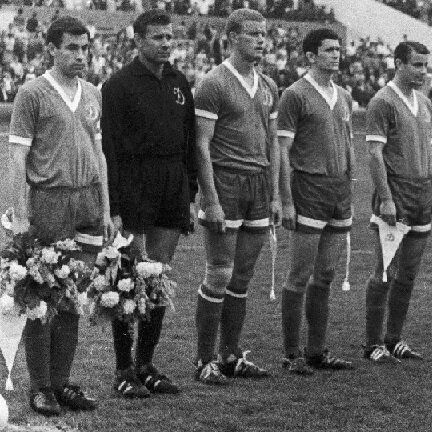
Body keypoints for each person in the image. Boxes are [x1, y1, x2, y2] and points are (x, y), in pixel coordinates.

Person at [9, 16, 114, 416]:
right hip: (49, 201)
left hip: (87, 202)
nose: (81, 55)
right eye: (72, 47)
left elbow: (99, 154)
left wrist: (106, 209)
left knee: (73, 297)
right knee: (42, 297)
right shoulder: (32, 93)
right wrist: (21, 215)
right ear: (52, 49)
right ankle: (40, 387)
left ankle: (61, 382)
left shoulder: (93, 93)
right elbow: (18, 158)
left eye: (85, 48)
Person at [102, 9, 197, 398]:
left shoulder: (178, 82)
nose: (165, 43)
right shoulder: (118, 85)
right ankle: (123, 369)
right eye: (157, 37)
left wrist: (191, 194)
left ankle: (146, 364)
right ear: (138, 40)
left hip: (172, 185)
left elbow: (190, 140)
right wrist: (115, 206)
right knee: (130, 278)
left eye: (169, 37)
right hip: (135, 184)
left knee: (158, 277)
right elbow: (109, 150)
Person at [192, 8, 278, 384]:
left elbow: (272, 143)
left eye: (264, 34)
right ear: (231, 38)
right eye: (253, 33)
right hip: (225, 182)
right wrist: (210, 199)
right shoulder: (213, 83)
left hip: (258, 185)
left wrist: (275, 194)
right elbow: (201, 145)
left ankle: (230, 355)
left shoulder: (269, 85)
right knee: (219, 273)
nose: (261, 39)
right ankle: (203, 359)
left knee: (242, 277)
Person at [277, 28, 355, 374]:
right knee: (299, 275)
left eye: (338, 49)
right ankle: (291, 353)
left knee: (326, 275)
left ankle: (316, 351)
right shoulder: (295, 95)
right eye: (328, 50)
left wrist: (350, 184)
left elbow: (348, 145)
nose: (336, 55)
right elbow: (282, 150)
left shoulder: (345, 96)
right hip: (308, 188)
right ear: (311, 56)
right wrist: (286, 201)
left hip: (339, 191)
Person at [364, 41, 432, 363]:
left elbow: (430, 150)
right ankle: (373, 343)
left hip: (422, 195)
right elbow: (374, 153)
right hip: (395, 195)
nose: (423, 71)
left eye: (426, 65)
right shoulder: (382, 101)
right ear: (399, 63)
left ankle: (394, 338)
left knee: (408, 274)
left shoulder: (424, 103)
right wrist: (386, 199)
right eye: (417, 65)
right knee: (385, 271)